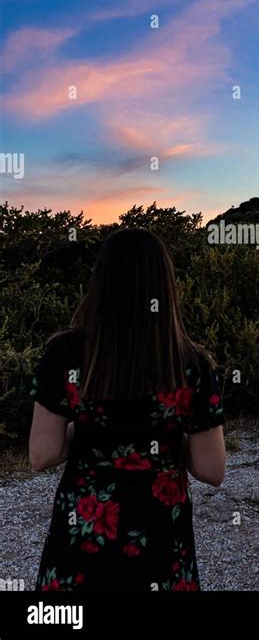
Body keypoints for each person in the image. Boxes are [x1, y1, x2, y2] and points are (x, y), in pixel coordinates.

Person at [29, 227, 226, 591]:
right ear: (166, 287)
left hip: (84, 534)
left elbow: (43, 454)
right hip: (161, 536)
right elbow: (211, 469)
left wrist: (90, 431)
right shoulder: (194, 364)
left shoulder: (65, 353)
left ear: (101, 284)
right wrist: (163, 440)